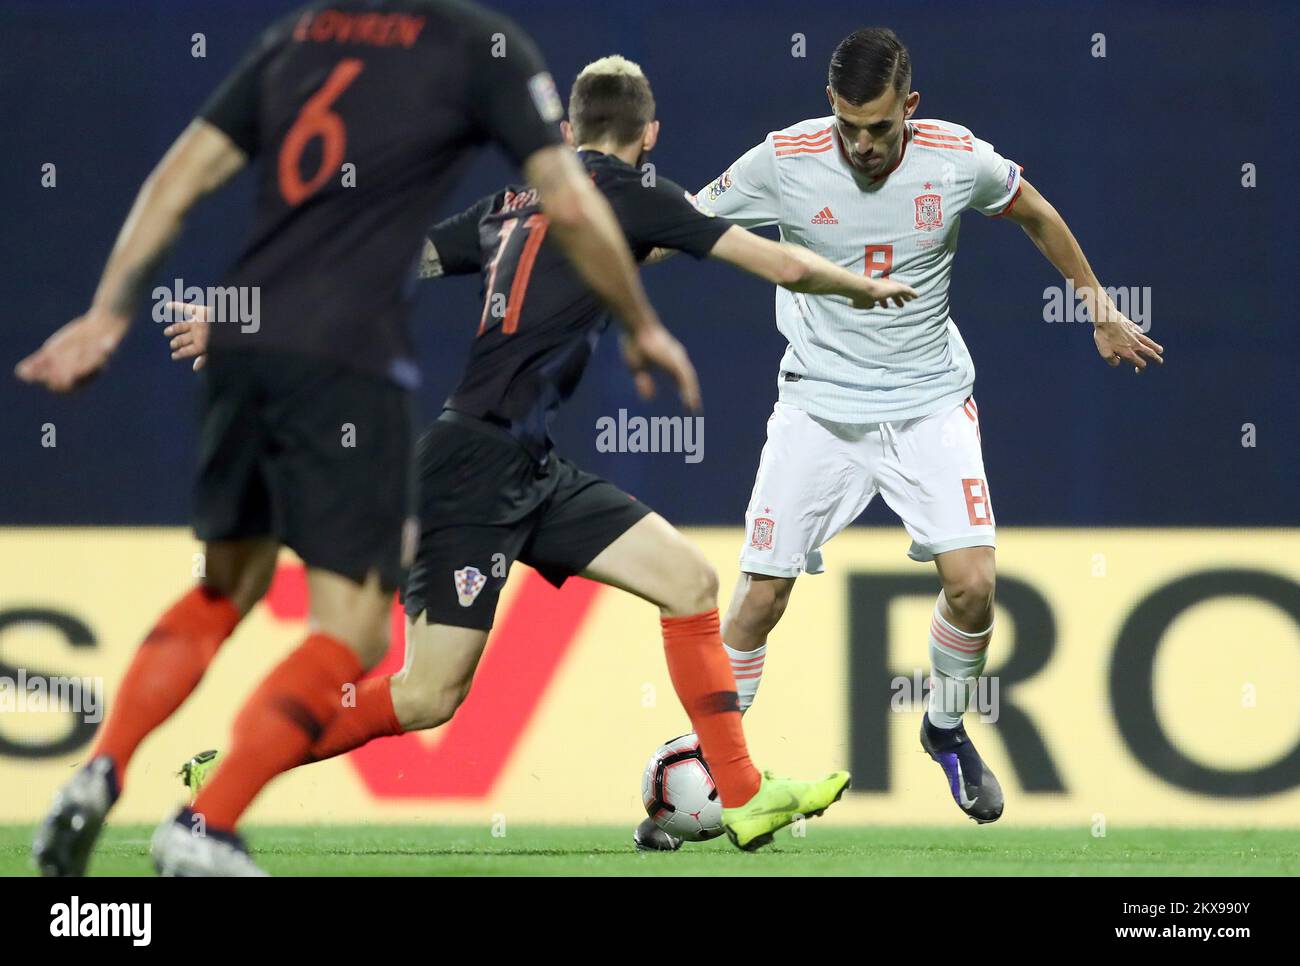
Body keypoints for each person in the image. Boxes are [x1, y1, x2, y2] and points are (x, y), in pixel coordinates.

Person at [163, 54, 920, 854]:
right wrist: (863, 289)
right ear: (649, 135)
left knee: (689, 581)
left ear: (567, 132)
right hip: (473, 469)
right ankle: (242, 767)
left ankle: (744, 794)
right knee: (426, 696)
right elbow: (783, 262)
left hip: (528, 464)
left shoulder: (507, 205)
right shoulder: (638, 197)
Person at [19, 1, 700, 877]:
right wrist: (642, 322)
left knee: (224, 591)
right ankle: (208, 822)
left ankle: (101, 767)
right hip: (351, 366)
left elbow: (179, 176)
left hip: (248, 336)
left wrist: (108, 316)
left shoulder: (296, 38)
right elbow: (570, 200)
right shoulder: (474, 47)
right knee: (355, 631)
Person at [655, 26, 1165, 847]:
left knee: (974, 583)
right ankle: (693, 782)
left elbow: (1035, 212)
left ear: (911, 111)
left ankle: (945, 730)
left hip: (928, 403)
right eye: (848, 127)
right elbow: (678, 224)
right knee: (757, 601)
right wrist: (584, 257)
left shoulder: (956, 158)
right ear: (831, 107)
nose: (861, 145)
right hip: (818, 406)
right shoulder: (784, 161)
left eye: (880, 129)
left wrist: (1098, 308)